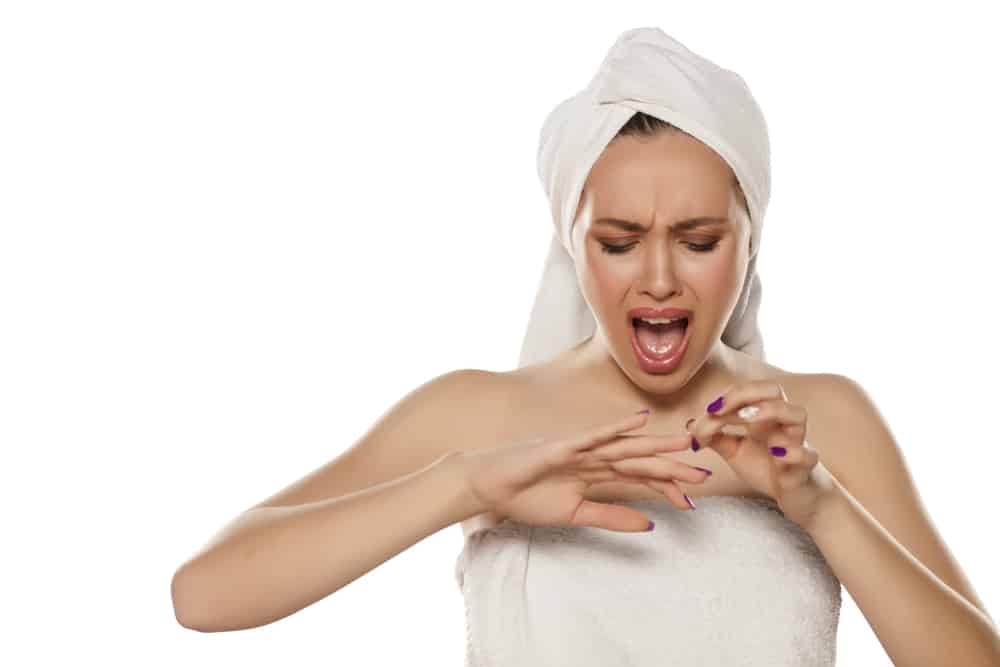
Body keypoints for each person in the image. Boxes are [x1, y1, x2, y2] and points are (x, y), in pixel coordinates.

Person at [171, 27, 998, 666]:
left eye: (701, 240)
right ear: (570, 240)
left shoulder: (825, 421)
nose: (661, 279)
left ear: (751, 241)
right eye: (620, 240)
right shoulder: (481, 411)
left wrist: (821, 504)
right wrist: (464, 483)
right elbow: (203, 593)